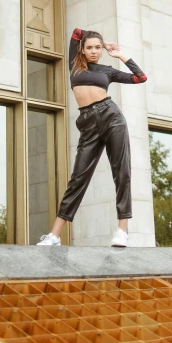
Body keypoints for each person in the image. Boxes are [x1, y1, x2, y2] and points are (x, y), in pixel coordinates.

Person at [37, 28, 147, 248]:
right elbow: (77, 32)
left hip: (111, 118)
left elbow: (140, 77)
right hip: (88, 124)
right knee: (78, 178)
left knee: (121, 171)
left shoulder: (108, 70)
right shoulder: (75, 64)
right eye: (90, 47)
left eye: (98, 47)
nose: (94, 51)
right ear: (83, 50)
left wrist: (119, 53)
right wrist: (103, 41)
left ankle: (122, 231)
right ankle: (54, 236)